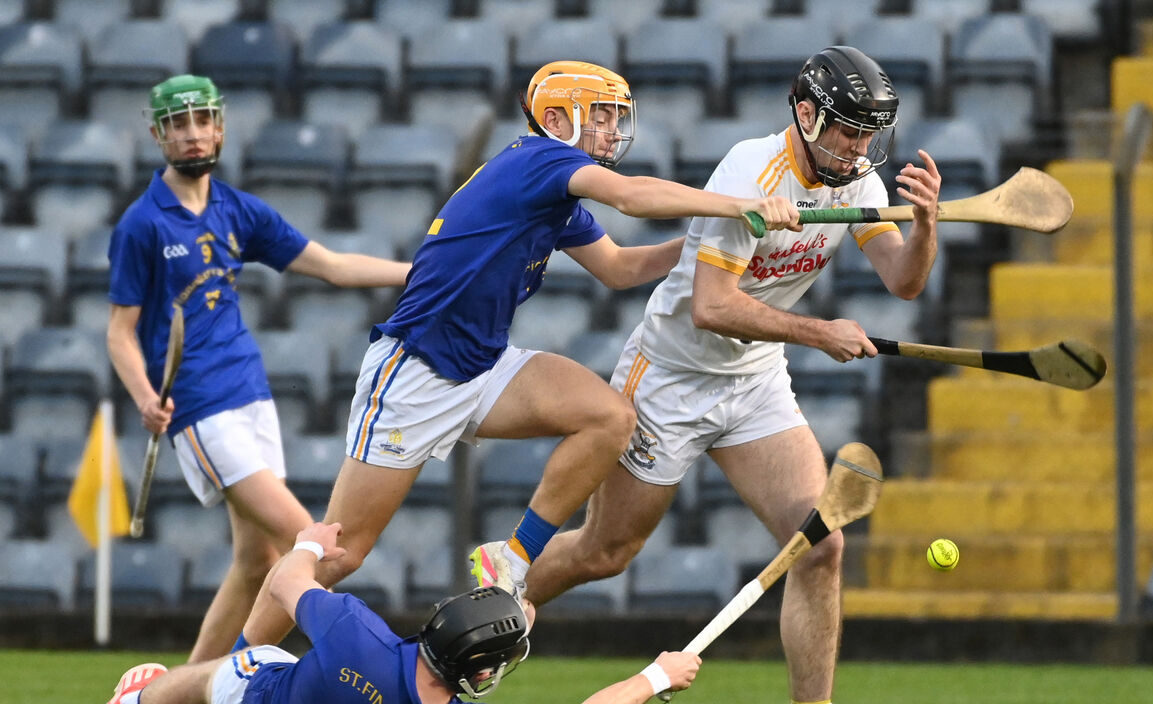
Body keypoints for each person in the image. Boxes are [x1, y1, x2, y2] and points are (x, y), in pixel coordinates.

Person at [234, 60, 800, 648]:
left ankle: (514, 555)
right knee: (338, 552)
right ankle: (225, 683)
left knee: (608, 417)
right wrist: (735, 204)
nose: (612, 129)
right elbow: (632, 199)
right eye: (599, 116)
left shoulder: (552, 192)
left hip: (483, 366)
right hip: (416, 373)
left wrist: (706, 245)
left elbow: (618, 268)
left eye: (615, 117)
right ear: (555, 120)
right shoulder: (541, 160)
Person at [519, 46, 944, 704]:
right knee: (605, 552)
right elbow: (711, 307)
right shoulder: (751, 174)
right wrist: (821, 333)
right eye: (846, 129)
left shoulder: (859, 181)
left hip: (753, 382)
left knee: (820, 539)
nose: (859, 147)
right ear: (806, 115)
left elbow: (903, 281)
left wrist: (928, 227)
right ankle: (489, 599)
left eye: (870, 133)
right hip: (670, 380)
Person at [107, 74, 411, 704]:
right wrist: (142, 395)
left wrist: (419, 271)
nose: (192, 133)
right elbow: (121, 332)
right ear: (158, 136)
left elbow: (330, 266)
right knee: (315, 545)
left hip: (252, 396)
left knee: (257, 562)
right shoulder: (142, 224)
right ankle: (224, 702)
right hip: (201, 408)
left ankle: (184, 702)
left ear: (220, 128)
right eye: (177, 124)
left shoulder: (237, 209)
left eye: (203, 120)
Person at [94, 522, 702, 704]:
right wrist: (657, 675)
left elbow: (281, 583)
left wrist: (307, 542)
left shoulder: (357, 631)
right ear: (481, 673)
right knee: (239, 673)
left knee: (223, 672)